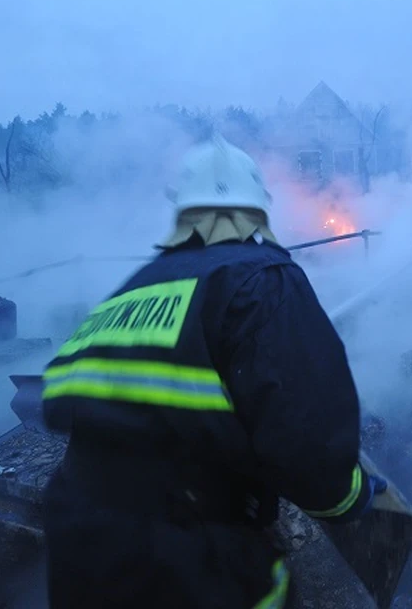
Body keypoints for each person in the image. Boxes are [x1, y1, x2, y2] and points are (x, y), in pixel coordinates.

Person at [40, 135, 386, 608]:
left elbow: (54, 399)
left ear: (181, 212)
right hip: (189, 561)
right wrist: (351, 496)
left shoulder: (131, 290)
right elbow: (308, 436)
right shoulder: (262, 279)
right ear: (258, 212)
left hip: (78, 548)